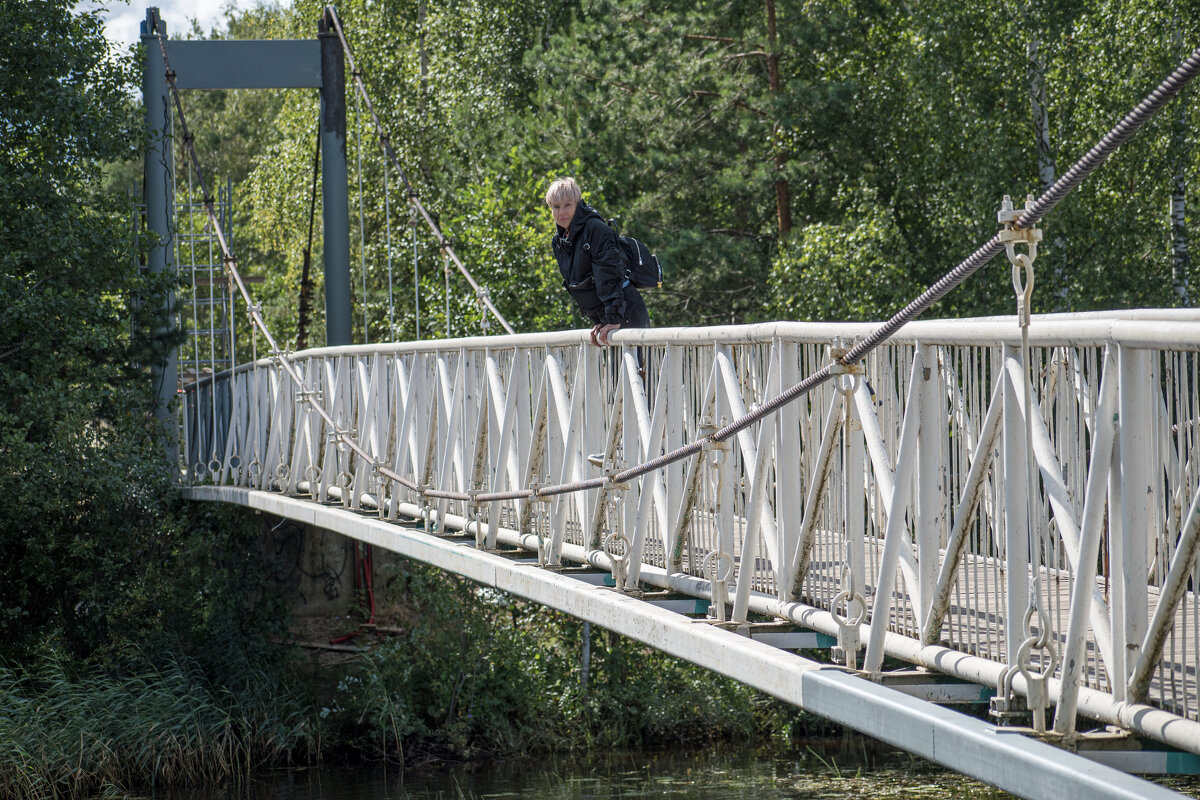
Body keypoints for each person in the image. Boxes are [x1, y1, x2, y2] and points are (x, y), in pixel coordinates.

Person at [546, 177, 651, 346]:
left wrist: (613, 318)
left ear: (578, 205)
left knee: (639, 370)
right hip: (606, 316)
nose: (561, 212)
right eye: (556, 207)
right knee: (618, 372)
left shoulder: (595, 229)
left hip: (625, 309)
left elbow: (609, 274)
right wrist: (598, 320)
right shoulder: (559, 242)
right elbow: (577, 284)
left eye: (568, 205)